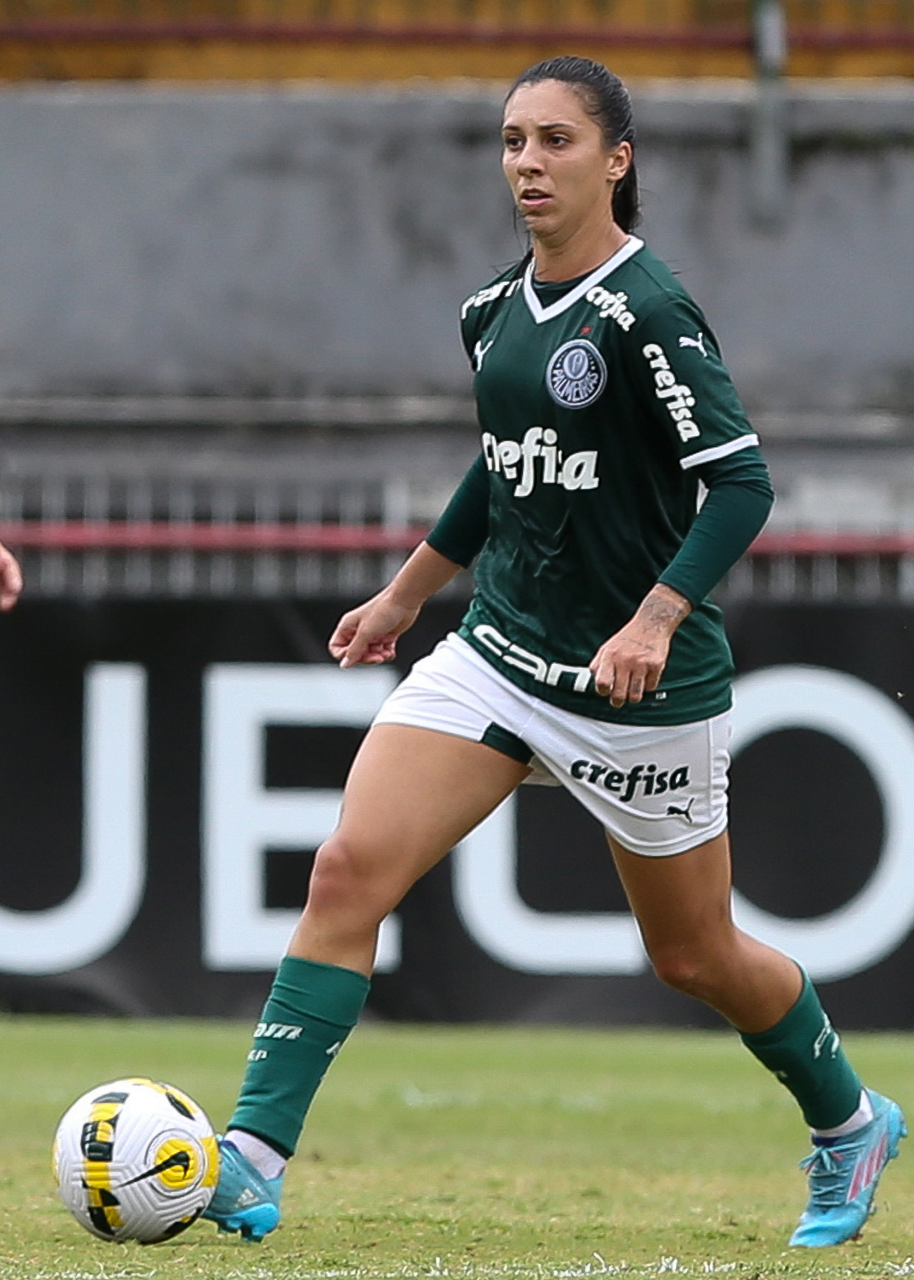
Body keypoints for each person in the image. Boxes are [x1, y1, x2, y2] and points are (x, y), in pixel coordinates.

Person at [202, 55, 905, 1249]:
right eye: (512, 140)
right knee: (345, 872)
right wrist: (402, 596)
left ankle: (848, 1120)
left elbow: (739, 484)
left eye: (555, 140)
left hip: (636, 692)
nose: (526, 163)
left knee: (693, 955)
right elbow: (498, 470)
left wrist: (654, 616)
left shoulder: (647, 312)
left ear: (615, 161)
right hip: (498, 653)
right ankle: (251, 1157)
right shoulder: (491, 309)